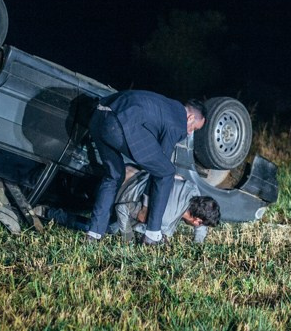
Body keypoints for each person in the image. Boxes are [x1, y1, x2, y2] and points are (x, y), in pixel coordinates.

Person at [86, 90, 205, 245]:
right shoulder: (178, 122)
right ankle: (152, 234)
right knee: (167, 172)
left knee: (114, 175)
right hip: (120, 122)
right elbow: (161, 169)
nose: (189, 133)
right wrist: (146, 206)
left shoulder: (167, 106)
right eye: (193, 128)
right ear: (190, 118)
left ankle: (94, 233)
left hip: (99, 117)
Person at [113, 169, 221, 243]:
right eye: (201, 224)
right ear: (197, 220)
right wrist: (128, 238)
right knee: (112, 229)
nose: (200, 226)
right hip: (122, 190)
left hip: (136, 172)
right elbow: (122, 208)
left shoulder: (192, 190)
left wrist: (198, 244)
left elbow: (202, 222)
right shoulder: (164, 216)